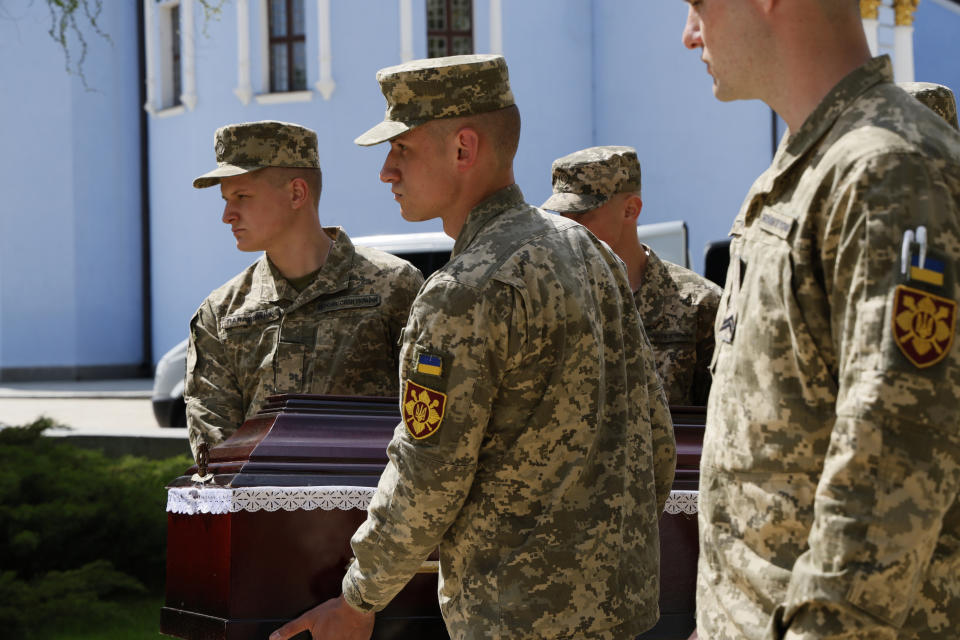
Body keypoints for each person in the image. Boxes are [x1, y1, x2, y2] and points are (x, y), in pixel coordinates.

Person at [270, 55, 676, 640]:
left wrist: (359, 599)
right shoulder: (593, 254)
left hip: (516, 617)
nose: (386, 171)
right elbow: (654, 436)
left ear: (463, 149)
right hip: (621, 608)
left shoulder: (465, 290)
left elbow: (428, 478)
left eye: (401, 149)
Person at [681, 1, 960, 638]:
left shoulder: (888, 170)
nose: (690, 33)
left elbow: (888, 483)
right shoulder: (801, 174)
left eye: (698, 5)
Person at [185, 120, 424, 459]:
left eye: (242, 196)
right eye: (225, 199)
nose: (227, 215)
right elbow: (214, 444)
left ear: (297, 193)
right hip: (260, 506)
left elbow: (426, 420)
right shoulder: (222, 312)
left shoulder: (393, 285)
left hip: (373, 504)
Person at [542, 145, 721, 406]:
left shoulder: (699, 305)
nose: (569, 229)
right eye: (563, 217)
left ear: (630, 210)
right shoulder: (549, 300)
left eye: (582, 216)